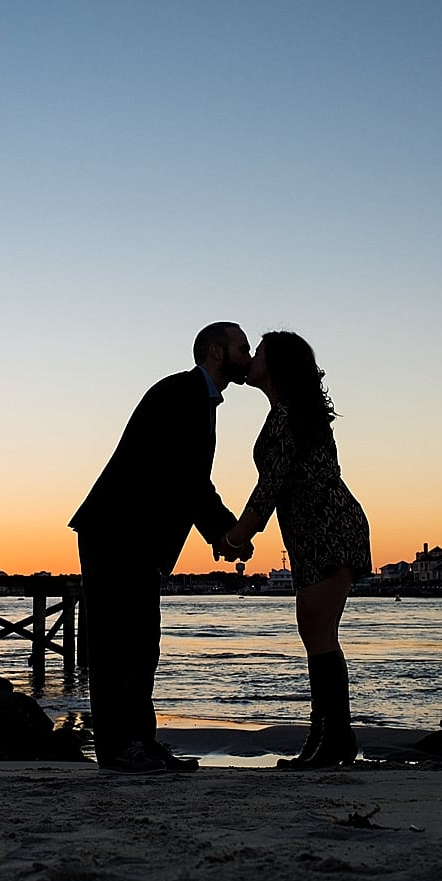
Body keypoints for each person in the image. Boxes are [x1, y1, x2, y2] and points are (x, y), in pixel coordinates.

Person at [69, 322, 255, 773]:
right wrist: (226, 533)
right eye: (242, 348)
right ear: (216, 351)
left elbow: (188, 480)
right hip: (117, 530)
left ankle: (140, 742)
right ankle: (118, 749)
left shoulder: (199, 398)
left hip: (135, 536)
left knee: (141, 643)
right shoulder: (181, 393)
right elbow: (187, 478)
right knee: (118, 644)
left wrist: (225, 534)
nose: (247, 357)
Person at [222, 331, 371, 768]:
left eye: (259, 352)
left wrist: (234, 537)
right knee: (315, 636)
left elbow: (269, 489)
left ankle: (334, 742)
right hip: (313, 535)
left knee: (319, 636)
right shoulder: (287, 413)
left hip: (329, 530)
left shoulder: (289, 416)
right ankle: (323, 740)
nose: (251, 358)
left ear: (277, 365)